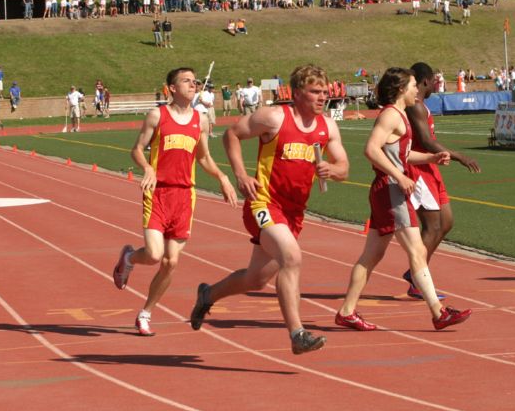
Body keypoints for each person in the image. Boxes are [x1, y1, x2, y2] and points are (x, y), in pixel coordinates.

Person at [189, 64, 349, 355]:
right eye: (315, 92)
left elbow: (344, 167)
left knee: (256, 279)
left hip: (293, 212)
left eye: (324, 92)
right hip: (263, 202)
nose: (322, 97)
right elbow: (232, 135)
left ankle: (207, 295)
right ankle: (297, 333)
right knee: (291, 257)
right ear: (298, 93)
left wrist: (332, 169)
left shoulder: (328, 126)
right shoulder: (275, 117)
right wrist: (240, 174)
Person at [335, 67, 472, 332]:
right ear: (400, 90)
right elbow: (371, 150)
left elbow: (402, 154)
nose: (416, 91)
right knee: (417, 250)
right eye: (412, 86)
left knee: (371, 255)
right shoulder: (390, 115)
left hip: (388, 189)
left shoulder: (401, 116)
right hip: (390, 189)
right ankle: (438, 312)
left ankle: (347, 311)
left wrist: (431, 158)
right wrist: (399, 176)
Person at [113, 67, 238, 336]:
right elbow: (136, 149)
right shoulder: (157, 115)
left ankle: (145, 313)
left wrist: (223, 177)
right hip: (158, 192)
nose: (193, 84)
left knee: (170, 263)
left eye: (194, 81)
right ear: (171, 87)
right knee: (155, 254)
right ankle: (130, 258)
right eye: (186, 81)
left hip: (184, 195)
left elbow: (203, 157)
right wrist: (147, 167)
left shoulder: (201, 121)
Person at [399, 62, 480, 299]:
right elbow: (425, 140)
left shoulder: (422, 105)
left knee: (446, 223)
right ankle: (417, 278)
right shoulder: (414, 106)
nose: (437, 84)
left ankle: (415, 272)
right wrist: (459, 156)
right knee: (432, 226)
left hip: (431, 167)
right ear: (426, 81)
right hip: (420, 167)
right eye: (435, 80)